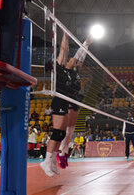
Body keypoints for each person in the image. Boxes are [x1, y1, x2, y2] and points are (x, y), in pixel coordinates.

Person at [57, 34, 93, 169]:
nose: (74, 61)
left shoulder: (76, 70)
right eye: (71, 60)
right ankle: (61, 152)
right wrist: (86, 42)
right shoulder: (65, 69)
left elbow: (81, 58)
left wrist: (87, 45)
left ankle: (64, 152)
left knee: (71, 130)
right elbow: (77, 56)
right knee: (67, 130)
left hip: (76, 98)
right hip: (67, 98)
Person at [40, 32, 71, 177]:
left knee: (62, 133)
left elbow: (66, 51)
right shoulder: (56, 69)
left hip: (64, 101)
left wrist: (67, 36)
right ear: (52, 65)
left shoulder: (63, 69)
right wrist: (64, 35)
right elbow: (63, 51)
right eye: (55, 60)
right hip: (58, 100)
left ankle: (52, 160)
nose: (58, 59)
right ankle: (45, 161)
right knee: (57, 132)